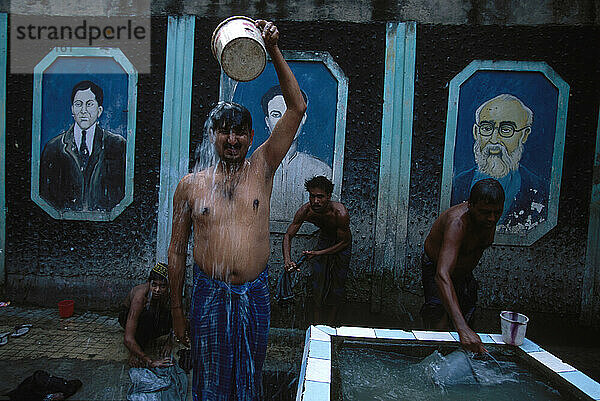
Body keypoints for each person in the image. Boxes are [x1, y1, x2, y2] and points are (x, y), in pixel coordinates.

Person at [168, 20, 306, 401]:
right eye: (224, 131)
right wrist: (178, 311)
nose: (232, 139)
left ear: (251, 136)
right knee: (209, 382)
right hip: (208, 294)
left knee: (249, 379)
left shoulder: (262, 167)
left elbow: (297, 107)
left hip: (254, 292)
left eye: (240, 132)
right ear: (212, 135)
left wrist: (274, 49)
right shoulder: (191, 185)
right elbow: (177, 251)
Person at [421, 178, 504, 354]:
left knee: (467, 317)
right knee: (440, 321)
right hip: (438, 269)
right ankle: (432, 365)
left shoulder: (488, 220)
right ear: (470, 205)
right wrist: (462, 327)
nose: (492, 218)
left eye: (497, 212)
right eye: (485, 212)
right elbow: (442, 275)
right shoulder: (457, 222)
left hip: (462, 274)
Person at [452, 94, 547, 231]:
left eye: (506, 130)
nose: (494, 140)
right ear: (475, 132)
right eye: (486, 128)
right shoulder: (457, 185)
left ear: (524, 135)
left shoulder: (539, 190)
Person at [39, 80, 126, 212]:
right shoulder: (53, 147)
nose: (83, 111)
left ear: (99, 110)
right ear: (72, 109)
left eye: (89, 104)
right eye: (78, 104)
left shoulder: (117, 146)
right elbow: (45, 196)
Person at [283, 176, 351, 324]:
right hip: (325, 239)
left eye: (320, 197)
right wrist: (287, 260)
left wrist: (318, 253)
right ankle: (316, 327)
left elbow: (344, 242)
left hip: (341, 245)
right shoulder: (306, 211)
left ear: (328, 196)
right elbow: (288, 235)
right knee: (317, 286)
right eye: (312, 196)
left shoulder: (340, 213)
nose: (315, 201)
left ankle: (331, 328)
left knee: (337, 286)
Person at [261, 85, 333, 222]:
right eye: (276, 115)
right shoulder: (251, 168)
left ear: (303, 118)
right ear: (267, 122)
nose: (285, 122)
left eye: (291, 113)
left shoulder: (320, 170)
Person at [119, 262, 173, 368]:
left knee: (180, 318)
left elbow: (177, 319)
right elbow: (127, 338)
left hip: (153, 315)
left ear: (168, 286)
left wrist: (170, 342)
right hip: (129, 317)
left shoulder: (170, 295)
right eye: (154, 285)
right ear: (149, 283)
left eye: (162, 286)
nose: (157, 290)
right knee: (147, 317)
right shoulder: (140, 298)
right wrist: (148, 360)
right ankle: (136, 349)